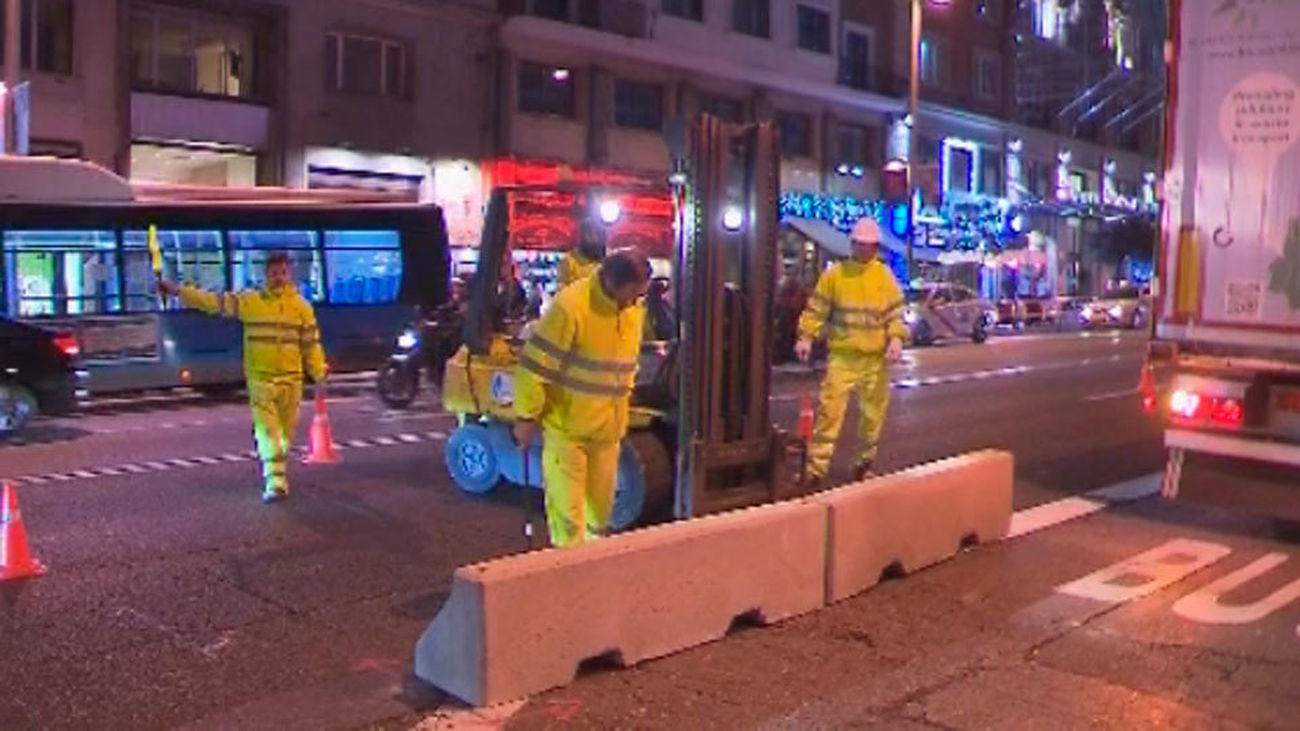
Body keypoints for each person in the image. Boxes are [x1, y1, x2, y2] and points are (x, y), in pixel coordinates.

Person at [158, 252, 327, 504]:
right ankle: (275, 481)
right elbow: (212, 301)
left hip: (292, 381)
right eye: (273, 273)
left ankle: (277, 475)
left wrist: (319, 373)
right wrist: (177, 291)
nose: (278, 278)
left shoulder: (302, 307)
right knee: (268, 433)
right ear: (265, 275)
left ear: (289, 273)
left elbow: (311, 343)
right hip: (261, 381)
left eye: (282, 272)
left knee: (285, 434)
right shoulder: (251, 302)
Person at [512, 249, 650, 547]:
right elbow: (534, 367)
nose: (635, 301)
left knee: (598, 519)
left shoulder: (632, 308)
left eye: (640, 295)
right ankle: (567, 575)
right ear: (613, 283)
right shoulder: (571, 307)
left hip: (607, 432)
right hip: (568, 431)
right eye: (632, 294)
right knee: (568, 518)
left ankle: (590, 574)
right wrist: (526, 417)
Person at [794, 218, 906, 488]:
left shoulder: (883, 277)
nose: (865, 250)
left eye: (869, 246)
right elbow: (817, 309)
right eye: (860, 245)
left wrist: (896, 338)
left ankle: (863, 464)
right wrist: (806, 336)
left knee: (872, 417)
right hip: (843, 356)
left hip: (874, 359)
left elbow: (895, 314)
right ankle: (816, 469)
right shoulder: (835, 276)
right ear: (853, 244)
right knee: (829, 413)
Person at [557, 219, 606, 289]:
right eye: (590, 234)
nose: (594, 238)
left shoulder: (609, 261)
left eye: (598, 234)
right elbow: (561, 291)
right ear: (582, 236)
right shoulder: (568, 261)